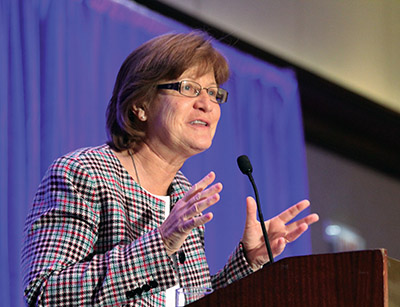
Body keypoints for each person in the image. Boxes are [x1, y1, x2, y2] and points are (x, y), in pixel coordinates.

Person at [22, 31, 319, 306]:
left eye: (214, 93)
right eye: (189, 88)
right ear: (141, 105)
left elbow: (185, 301)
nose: (207, 104)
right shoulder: (84, 174)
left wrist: (247, 262)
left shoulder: (182, 195)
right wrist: (161, 244)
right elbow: (46, 294)